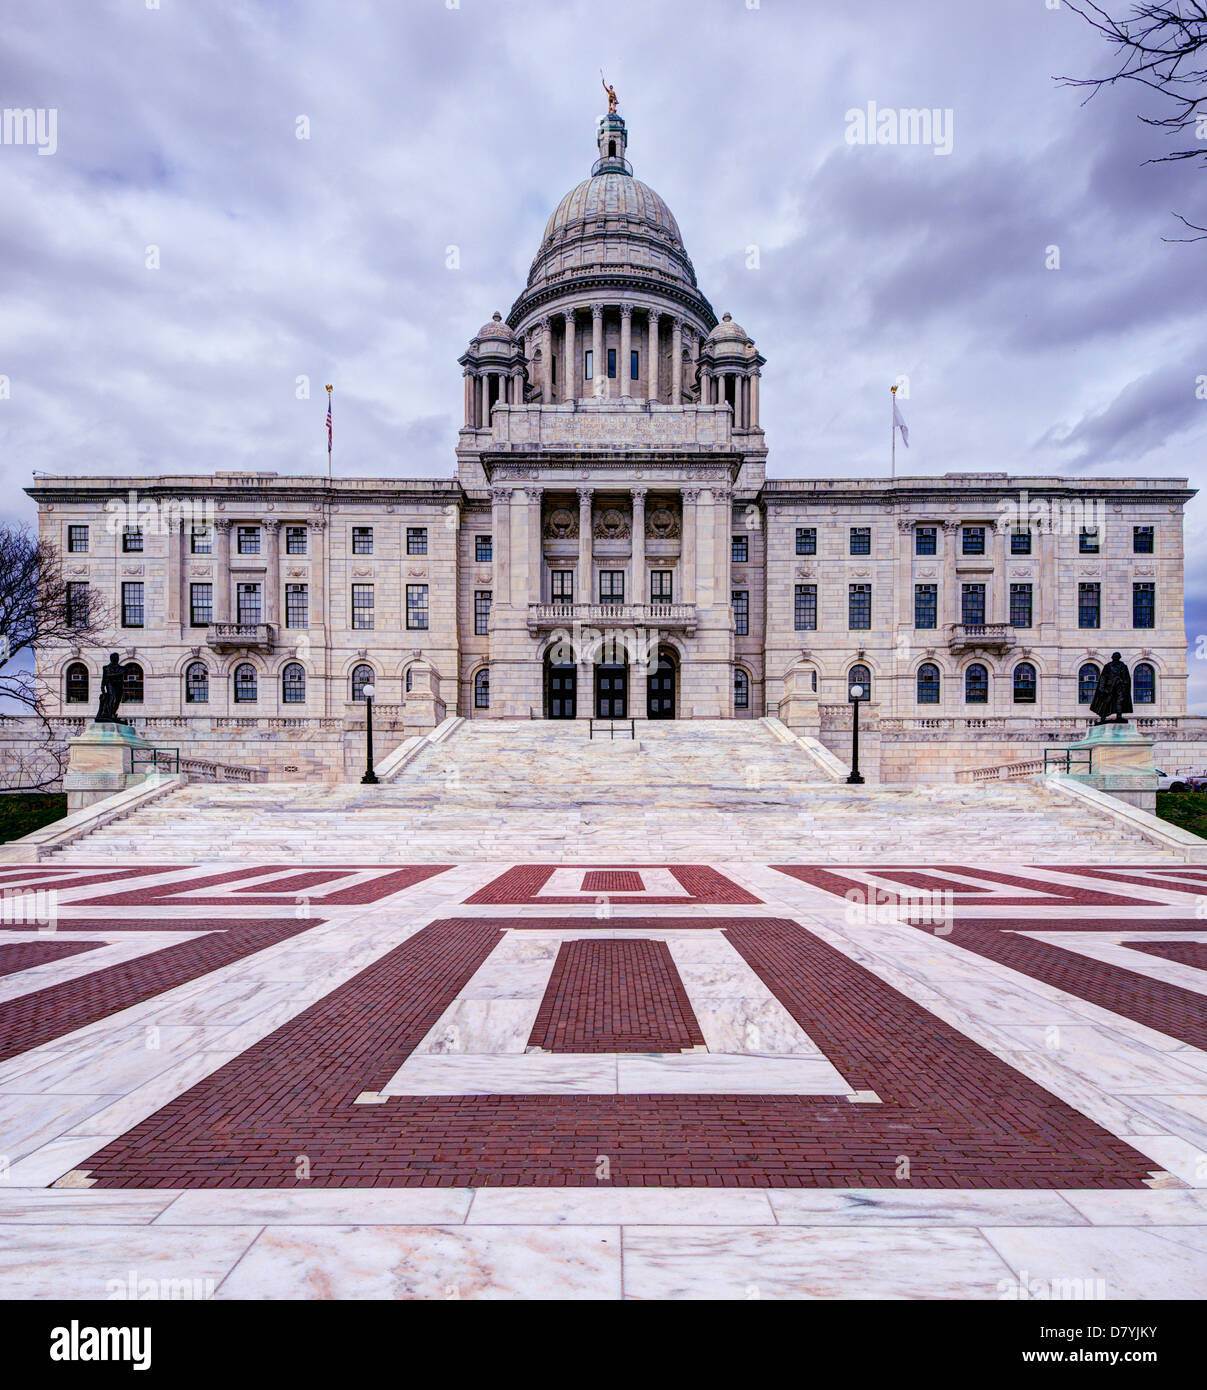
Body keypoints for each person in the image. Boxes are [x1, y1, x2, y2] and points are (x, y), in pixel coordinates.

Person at [1090, 652, 1133, 724]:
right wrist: (1101, 688)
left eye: (1117, 656)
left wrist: (1123, 684)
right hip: (1109, 688)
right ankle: (1103, 717)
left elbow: (1127, 678)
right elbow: (1103, 678)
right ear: (1112, 657)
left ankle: (1119, 716)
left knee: (1119, 702)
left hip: (1120, 688)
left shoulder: (1123, 667)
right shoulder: (1108, 666)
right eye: (1114, 656)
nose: (1115, 658)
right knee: (1106, 702)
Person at [95, 652, 126, 723]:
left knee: (117, 700)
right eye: (115, 658)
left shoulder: (121, 668)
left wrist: (110, 675)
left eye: (117, 658)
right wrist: (102, 686)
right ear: (111, 659)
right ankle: (110, 714)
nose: (117, 659)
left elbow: (121, 674)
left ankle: (113, 713)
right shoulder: (106, 668)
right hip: (110, 685)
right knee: (113, 698)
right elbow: (104, 678)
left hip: (119, 686)